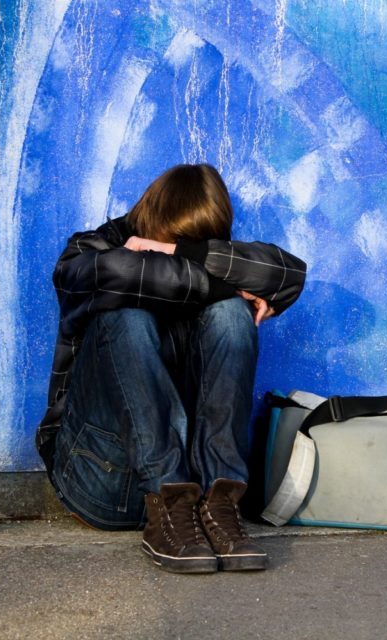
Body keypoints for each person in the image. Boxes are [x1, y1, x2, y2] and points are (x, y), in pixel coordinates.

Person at [35, 164, 306, 573]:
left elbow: (289, 273)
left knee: (232, 316)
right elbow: (122, 271)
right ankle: (166, 496)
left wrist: (179, 254)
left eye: (199, 245)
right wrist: (231, 286)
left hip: (197, 509)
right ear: (154, 216)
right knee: (126, 317)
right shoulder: (89, 250)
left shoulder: (195, 256)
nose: (186, 249)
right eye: (176, 239)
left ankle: (221, 502)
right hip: (102, 479)